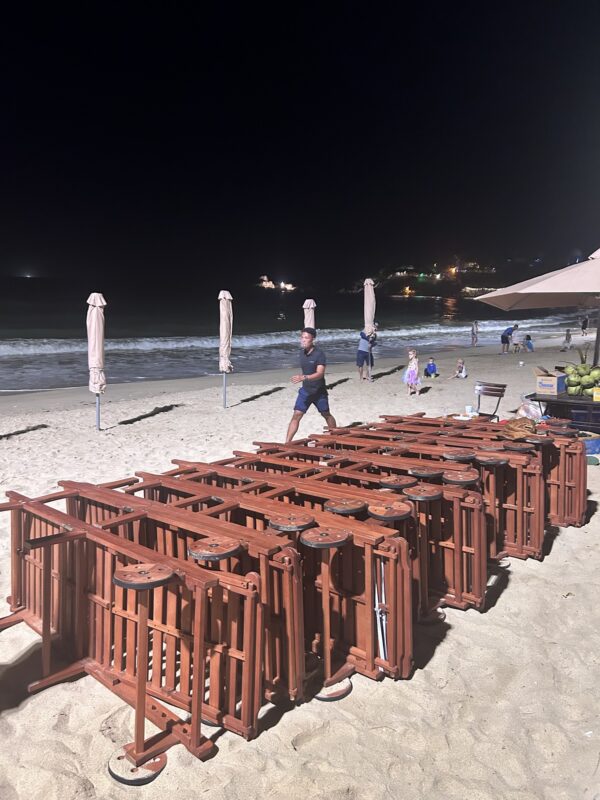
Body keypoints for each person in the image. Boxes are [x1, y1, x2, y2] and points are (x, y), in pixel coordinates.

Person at [286, 327, 336, 442]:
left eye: (306, 338)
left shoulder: (319, 354)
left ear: (312, 339)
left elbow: (320, 373)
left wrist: (304, 377)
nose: (303, 340)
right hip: (305, 391)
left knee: (326, 414)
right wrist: (303, 379)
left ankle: (335, 435)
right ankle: (287, 442)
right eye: (302, 337)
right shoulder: (301, 353)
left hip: (319, 391)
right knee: (296, 415)